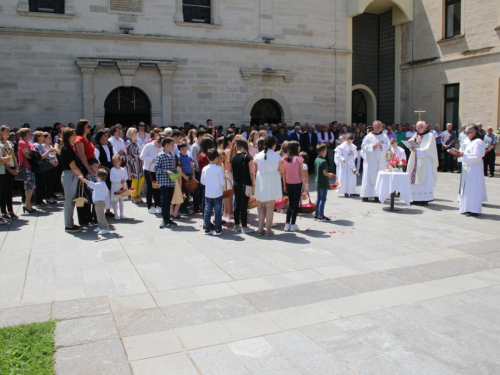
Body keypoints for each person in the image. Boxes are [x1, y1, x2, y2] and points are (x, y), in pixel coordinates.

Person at [450, 124, 487, 216]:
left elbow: (477, 156)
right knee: (466, 188)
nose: (467, 135)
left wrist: (463, 155)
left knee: (473, 187)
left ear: (474, 132)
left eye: (468, 133)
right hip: (467, 167)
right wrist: (459, 153)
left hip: (474, 168)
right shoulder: (470, 141)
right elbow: (466, 152)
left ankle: (474, 209)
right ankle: (466, 207)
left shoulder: (478, 142)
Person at [253, 135, 282, 236]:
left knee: (262, 206)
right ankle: (268, 230)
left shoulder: (258, 155)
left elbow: (254, 170)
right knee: (270, 206)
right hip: (272, 179)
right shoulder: (277, 156)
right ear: (274, 145)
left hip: (261, 179)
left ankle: (260, 229)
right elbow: (281, 170)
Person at [407, 120, 439, 206]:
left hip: (425, 161)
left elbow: (429, 149)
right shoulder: (417, 135)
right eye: (416, 128)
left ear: (424, 127)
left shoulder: (430, 136)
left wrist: (417, 150)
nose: (417, 130)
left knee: (424, 177)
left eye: (419, 128)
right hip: (416, 159)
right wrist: (412, 141)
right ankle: (415, 198)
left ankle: (424, 199)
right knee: (414, 177)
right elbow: (410, 142)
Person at [59, 128, 84, 232]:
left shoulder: (69, 148)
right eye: (73, 135)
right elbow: (73, 166)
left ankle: (71, 222)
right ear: (68, 136)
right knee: (69, 201)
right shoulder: (66, 149)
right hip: (70, 175)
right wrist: (81, 175)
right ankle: (69, 225)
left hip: (72, 175)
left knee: (71, 201)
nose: (75, 137)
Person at [360, 121, 390, 202]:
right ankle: (365, 195)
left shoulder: (384, 136)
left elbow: (388, 145)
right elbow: (363, 146)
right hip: (370, 161)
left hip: (380, 161)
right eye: (376, 126)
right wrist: (372, 146)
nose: (378, 128)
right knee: (368, 177)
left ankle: (377, 195)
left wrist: (382, 146)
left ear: (382, 127)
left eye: (379, 126)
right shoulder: (368, 136)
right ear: (373, 127)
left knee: (379, 177)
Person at [230, 138, 255, 233]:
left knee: (237, 204)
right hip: (246, 184)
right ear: (245, 147)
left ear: (236, 146)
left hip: (236, 182)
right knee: (244, 205)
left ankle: (236, 225)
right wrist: (254, 184)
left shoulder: (233, 157)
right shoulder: (247, 157)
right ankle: (244, 226)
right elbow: (252, 173)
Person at [282, 140, 306, 232]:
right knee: (295, 204)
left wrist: (284, 184)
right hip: (297, 183)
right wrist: (304, 185)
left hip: (288, 182)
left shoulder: (285, 158)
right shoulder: (299, 159)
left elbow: (284, 173)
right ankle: (293, 223)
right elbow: (301, 173)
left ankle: (287, 223)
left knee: (290, 204)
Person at [201, 148, 225, 236]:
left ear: (208, 158)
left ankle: (207, 228)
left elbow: (202, 181)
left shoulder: (204, 169)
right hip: (218, 193)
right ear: (216, 158)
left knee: (207, 211)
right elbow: (222, 182)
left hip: (208, 193)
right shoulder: (218, 169)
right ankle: (218, 229)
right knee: (218, 211)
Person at [79, 169, 111, 235]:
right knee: (98, 216)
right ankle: (101, 227)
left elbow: (91, 184)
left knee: (101, 216)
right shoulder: (103, 185)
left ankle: (105, 228)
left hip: (99, 203)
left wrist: (83, 179)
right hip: (99, 203)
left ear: (99, 177)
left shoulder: (99, 184)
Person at [155, 137, 177, 228]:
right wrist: (166, 171)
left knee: (169, 201)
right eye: (172, 144)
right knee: (164, 201)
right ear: (166, 145)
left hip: (171, 182)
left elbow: (174, 168)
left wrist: (176, 175)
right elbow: (156, 168)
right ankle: (165, 219)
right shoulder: (160, 155)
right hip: (164, 182)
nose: (173, 146)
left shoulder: (172, 155)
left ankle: (168, 218)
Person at [32, 131, 57, 208]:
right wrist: (50, 151)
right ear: (38, 137)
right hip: (40, 166)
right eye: (42, 136)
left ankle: (41, 200)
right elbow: (41, 157)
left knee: (42, 184)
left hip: (45, 166)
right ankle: (38, 202)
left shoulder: (40, 145)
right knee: (39, 184)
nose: (43, 138)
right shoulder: (36, 145)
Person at [0, 126, 18, 221]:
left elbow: (13, 156)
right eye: (7, 131)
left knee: (9, 191)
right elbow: (3, 159)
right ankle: (3, 211)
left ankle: (10, 210)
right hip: (4, 168)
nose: (8, 133)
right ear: (1, 132)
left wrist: (16, 166)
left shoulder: (10, 143)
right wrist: (9, 169)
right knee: (3, 191)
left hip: (11, 167)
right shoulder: (1, 144)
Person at [17, 128, 37, 213]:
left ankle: (28, 204)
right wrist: (33, 154)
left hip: (31, 166)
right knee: (29, 186)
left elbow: (33, 153)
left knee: (31, 186)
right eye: (29, 133)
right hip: (26, 166)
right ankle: (27, 205)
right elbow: (27, 154)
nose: (30, 134)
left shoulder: (29, 142)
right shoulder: (22, 142)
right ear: (25, 134)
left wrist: (33, 154)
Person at [315, 144, 335, 221]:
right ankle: (321, 215)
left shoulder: (317, 159)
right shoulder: (323, 161)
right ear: (323, 151)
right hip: (323, 182)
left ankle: (316, 214)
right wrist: (329, 175)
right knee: (322, 199)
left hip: (317, 181)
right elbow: (324, 173)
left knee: (318, 198)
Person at [125, 128, 145, 204]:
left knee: (141, 178)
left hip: (139, 162)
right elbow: (127, 154)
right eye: (134, 132)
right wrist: (134, 157)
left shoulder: (136, 142)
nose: (136, 133)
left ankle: (138, 194)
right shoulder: (128, 142)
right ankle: (133, 196)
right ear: (130, 133)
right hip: (133, 163)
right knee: (135, 179)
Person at [177, 142, 194, 214]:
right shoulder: (179, 157)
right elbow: (179, 168)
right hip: (182, 177)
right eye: (182, 149)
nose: (184, 150)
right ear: (179, 150)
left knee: (188, 192)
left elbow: (191, 166)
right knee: (182, 193)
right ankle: (181, 209)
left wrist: (193, 175)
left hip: (189, 175)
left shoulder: (188, 157)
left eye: (185, 148)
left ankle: (185, 208)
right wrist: (184, 176)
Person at [110, 154, 128, 220]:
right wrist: (120, 180)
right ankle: (116, 214)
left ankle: (122, 214)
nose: (115, 163)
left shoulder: (123, 169)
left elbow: (126, 177)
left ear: (120, 161)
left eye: (117, 161)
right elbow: (111, 179)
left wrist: (124, 180)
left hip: (122, 186)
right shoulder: (112, 169)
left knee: (121, 200)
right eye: (114, 162)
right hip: (115, 186)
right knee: (115, 201)